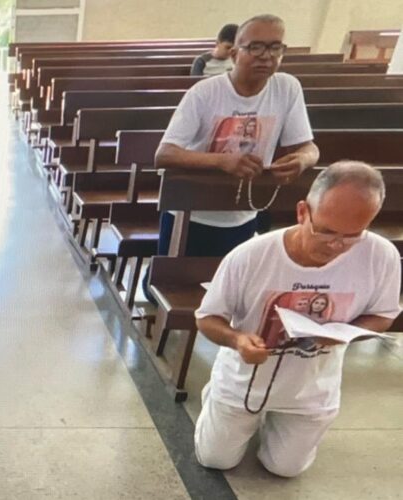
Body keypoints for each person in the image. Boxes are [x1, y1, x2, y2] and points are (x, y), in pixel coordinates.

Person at [194, 161, 400, 478]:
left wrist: (345, 333)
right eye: (327, 231)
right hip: (246, 378)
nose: (336, 246)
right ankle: (218, 399)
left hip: (312, 386)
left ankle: (279, 424)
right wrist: (237, 339)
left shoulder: (381, 256)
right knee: (216, 459)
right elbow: (208, 317)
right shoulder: (250, 255)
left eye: (352, 236)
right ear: (303, 212)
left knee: (285, 468)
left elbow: (384, 315)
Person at [143, 14, 320, 302]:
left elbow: (309, 147)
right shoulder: (205, 92)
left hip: (244, 210)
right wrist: (222, 161)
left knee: (223, 292)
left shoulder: (287, 88)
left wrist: (302, 159)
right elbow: (164, 154)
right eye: (256, 48)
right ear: (235, 53)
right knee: (168, 287)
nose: (266, 57)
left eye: (275, 48)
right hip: (191, 212)